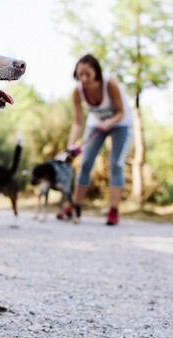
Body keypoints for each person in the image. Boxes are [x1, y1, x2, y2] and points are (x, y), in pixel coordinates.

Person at [63, 54, 132, 226]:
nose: (84, 78)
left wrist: (109, 122)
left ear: (97, 73)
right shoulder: (78, 92)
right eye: (80, 74)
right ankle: (75, 206)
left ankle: (113, 211)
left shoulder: (110, 83)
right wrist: (71, 145)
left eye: (88, 74)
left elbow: (121, 112)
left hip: (120, 122)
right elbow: (78, 123)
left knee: (115, 164)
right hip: (96, 123)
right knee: (85, 163)